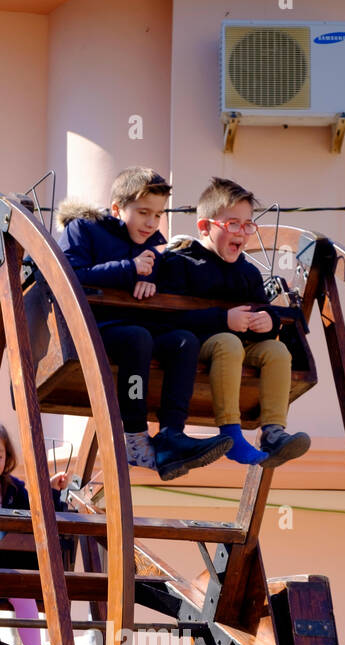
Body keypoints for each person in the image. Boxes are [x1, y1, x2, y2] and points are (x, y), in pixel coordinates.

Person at [58, 166, 232, 480]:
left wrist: (154, 285)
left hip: (142, 326)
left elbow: (165, 283)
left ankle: (170, 436)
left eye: (158, 214)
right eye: (143, 213)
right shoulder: (83, 229)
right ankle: (135, 436)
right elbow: (71, 275)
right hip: (93, 327)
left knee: (184, 342)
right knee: (137, 338)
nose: (151, 222)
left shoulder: (157, 244)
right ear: (116, 209)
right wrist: (129, 269)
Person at [159, 176, 311, 469]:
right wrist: (223, 319)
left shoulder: (248, 273)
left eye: (247, 225)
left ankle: (273, 432)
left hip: (239, 348)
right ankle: (231, 432)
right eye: (232, 224)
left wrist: (270, 321)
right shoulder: (181, 263)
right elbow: (169, 316)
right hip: (195, 345)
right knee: (228, 342)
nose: (241, 232)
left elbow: (264, 310)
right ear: (205, 226)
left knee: (277, 352)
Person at [0, 422, 68, 645]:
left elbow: (32, 508)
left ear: (7, 458)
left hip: (6, 564)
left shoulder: (12, 489)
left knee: (24, 596)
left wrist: (50, 490)